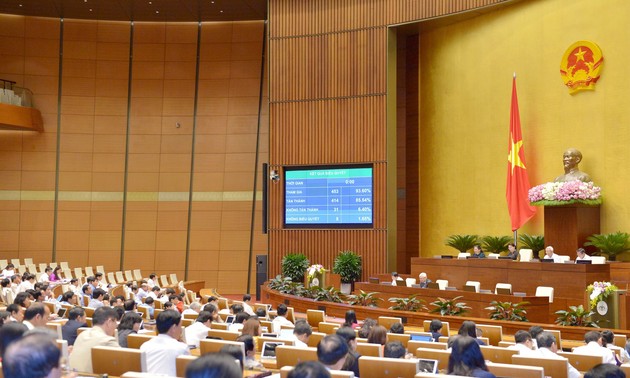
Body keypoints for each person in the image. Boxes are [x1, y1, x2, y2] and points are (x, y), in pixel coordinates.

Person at [140, 309, 190, 376]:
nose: (181, 330)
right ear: (174, 328)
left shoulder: (145, 345)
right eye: (180, 326)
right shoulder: (181, 348)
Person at [69, 306, 120, 373]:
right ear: (109, 322)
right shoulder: (108, 341)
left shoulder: (82, 334)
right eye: (115, 323)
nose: (115, 326)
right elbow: (124, 364)